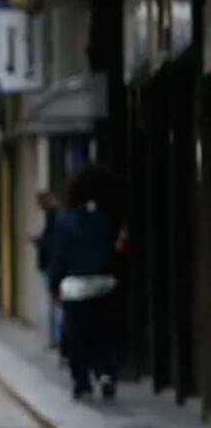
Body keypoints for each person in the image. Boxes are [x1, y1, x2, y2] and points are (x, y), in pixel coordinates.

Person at [49, 171, 119, 400]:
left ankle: (82, 382)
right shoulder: (106, 219)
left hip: (76, 287)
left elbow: (59, 256)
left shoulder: (66, 221)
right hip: (104, 284)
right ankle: (105, 371)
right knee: (102, 332)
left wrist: (54, 283)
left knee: (76, 337)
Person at [34, 191, 63, 349]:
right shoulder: (54, 219)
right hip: (51, 265)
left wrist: (40, 242)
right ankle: (56, 338)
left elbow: (50, 242)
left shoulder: (53, 219)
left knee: (55, 303)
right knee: (55, 303)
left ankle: (57, 338)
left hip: (50, 266)